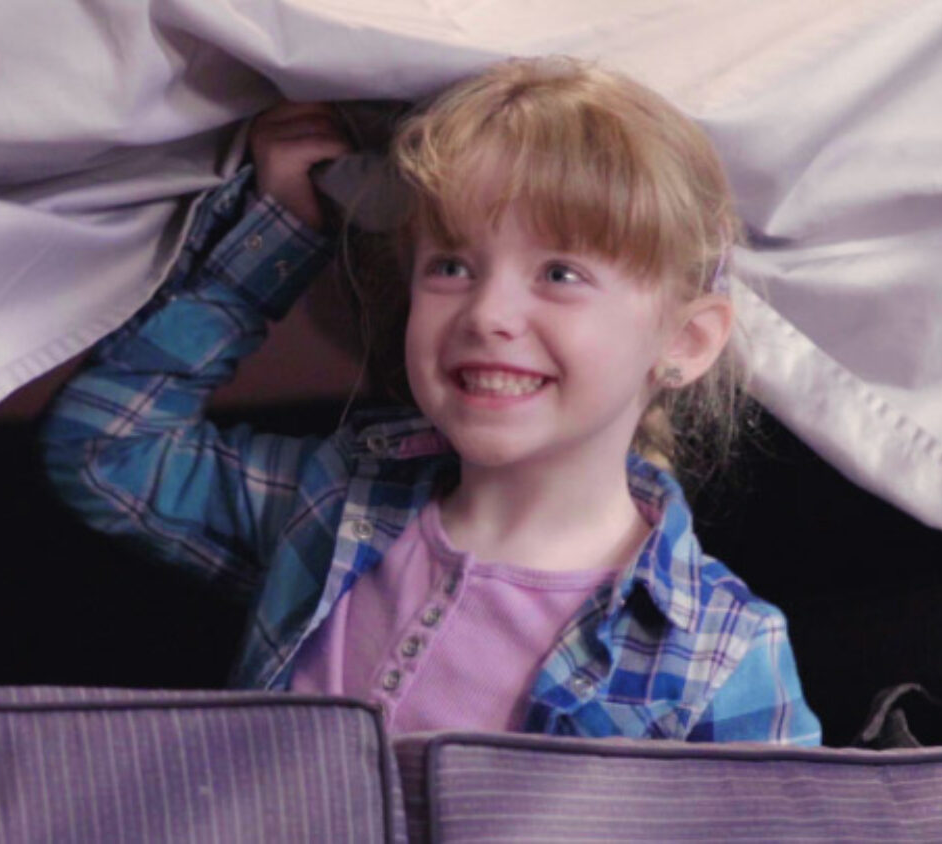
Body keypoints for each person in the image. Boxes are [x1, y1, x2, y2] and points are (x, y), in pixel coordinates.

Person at [41, 57, 820, 744]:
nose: (486, 314)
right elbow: (108, 451)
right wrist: (283, 231)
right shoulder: (337, 500)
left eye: (560, 274)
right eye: (451, 266)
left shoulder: (721, 655)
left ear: (684, 343)